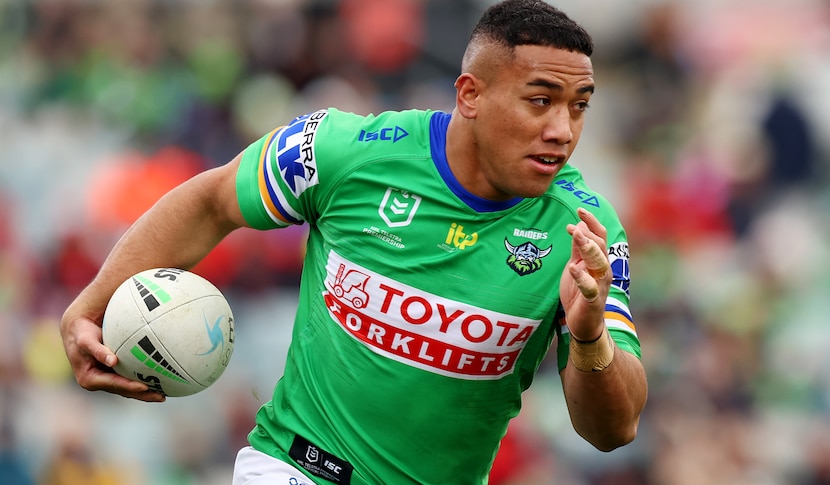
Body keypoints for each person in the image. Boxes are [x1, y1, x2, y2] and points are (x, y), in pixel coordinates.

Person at [60, 1, 648, 483]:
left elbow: (612, 430)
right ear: (470, 94)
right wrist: (89, 305)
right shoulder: (347, 150)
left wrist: (589, 331)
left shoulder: (586, 233)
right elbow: (211, 201)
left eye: (579, 107)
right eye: (540, 101)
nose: (562, 131)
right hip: (293, 468)